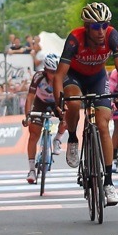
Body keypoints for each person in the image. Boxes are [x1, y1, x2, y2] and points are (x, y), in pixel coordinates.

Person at [54, 2, 118, 207]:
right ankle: (72, 138)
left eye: (104, 25)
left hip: (97, 78)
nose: (101, 31)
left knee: (103, 124)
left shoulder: (112, 36)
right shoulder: (74, 39)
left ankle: (109, 183)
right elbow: (59, 75)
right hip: (74, 77)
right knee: (75, 105)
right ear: (87, 27)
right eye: (96, 27)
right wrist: (59, 100)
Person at [22, 54, 67, 184]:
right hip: (40, 103)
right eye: (52, 72)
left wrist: (63, 110)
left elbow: (67, 98)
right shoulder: (38, 77)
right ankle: (31, 170)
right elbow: (30, 97)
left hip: (57, 102)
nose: (54, 75)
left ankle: (57, 139)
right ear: (46, 70)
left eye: (56, 72)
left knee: (68, 119)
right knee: (33, 134)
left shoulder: (63, 78)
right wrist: (28, 116)